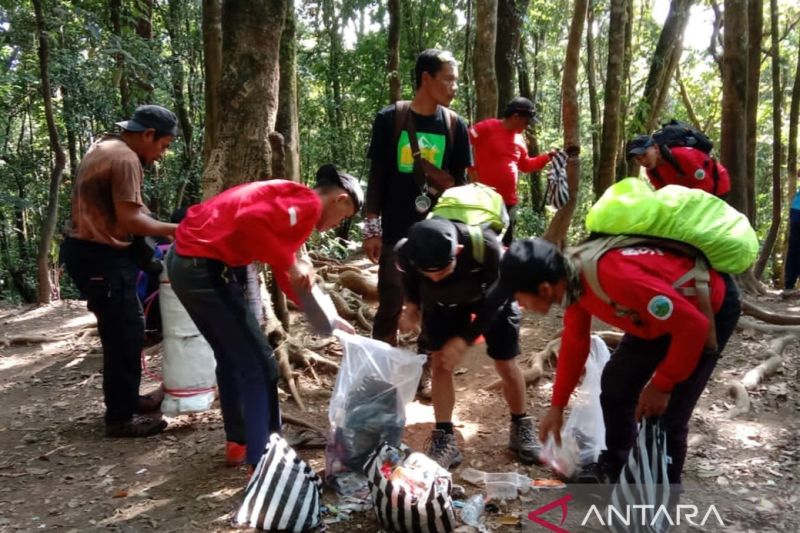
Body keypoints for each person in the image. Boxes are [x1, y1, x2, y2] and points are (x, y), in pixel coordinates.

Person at [485, 238, 740, 485]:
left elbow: (693, 327)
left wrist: (663, 384)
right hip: (654, 317)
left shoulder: (614, 279)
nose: (519, 305)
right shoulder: (572, 283)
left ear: (544, 289)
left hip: (705, 310)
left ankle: (653, 510)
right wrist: (556, 407)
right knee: (616, 385)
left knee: (667, 417)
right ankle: (617, 467)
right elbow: (575, 344)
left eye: (518, 297)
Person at [166, 165, 363, 469]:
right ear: (339, 199)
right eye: (344, 216)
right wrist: (290, 262)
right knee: (261, 364)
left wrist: (331, 320)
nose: (339, 224)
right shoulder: (307, 204)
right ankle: (267, 462)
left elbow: (289, 277)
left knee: (233, 357)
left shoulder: (292, 208)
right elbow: (250, 222)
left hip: (184, 262)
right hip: (204, 266)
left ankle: (240, 443)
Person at [61, 104, 179, 438]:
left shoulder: (105, 146)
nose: (161, 155)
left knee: (123, 332)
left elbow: (131, 210)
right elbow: (131, 220)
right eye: (162, 146)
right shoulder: (126, 159)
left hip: (90, 253)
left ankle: (126, 401)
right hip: (101, 257)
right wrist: (179, 230)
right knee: (125, 335)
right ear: (147, 134)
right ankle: (120, 418)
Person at [394, 217, 541, 468]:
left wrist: (464, 339)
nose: (436, 278)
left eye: (442, 271)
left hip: (491, 300)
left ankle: (520, 426)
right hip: (442, 306)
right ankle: (444, 437)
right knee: (440, 363)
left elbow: (496, 303)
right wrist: (412, 305)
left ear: (458, 252)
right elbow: (409, 281)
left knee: (505, 363)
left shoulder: (486, 246)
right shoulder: (406, 252)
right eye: (428, 274)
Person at [363, 49, 472, 348]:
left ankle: (424, 370)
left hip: (439, 235)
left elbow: (461, 185)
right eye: (448, 79)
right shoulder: (390, 118)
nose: (454, 87)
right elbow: (378, 175)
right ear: (426, 78)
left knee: (434, 306)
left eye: (456, 81)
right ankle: (382, 368)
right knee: (389, 303)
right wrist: (372, 228)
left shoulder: (455, 125)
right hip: (395, 230)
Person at [468, 97, 556, 245]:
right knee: (483, 243)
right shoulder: (487, 127)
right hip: (484, 200)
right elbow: (464, 141)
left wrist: (548, 157)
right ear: (515, 116)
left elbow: (526, 165)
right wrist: (472, 170)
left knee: (505, 244)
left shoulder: (519, 139)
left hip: (509, 203)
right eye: (526, 121)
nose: (527, 126)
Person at [627, 134, 731, 198]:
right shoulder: (652, 171)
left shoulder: (681, 156)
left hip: (718, 185)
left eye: (645, 155)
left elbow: (707, 184)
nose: (643, 161)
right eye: (638, 159)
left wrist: (684, 199)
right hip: (693, 195)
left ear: (655, 148)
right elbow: (665, 195)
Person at [785, 179, 800, 291]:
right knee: (794, 249)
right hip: (797, 210)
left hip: (796, 210)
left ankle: (789, 284)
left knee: (794, 249)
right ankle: (789, 284)